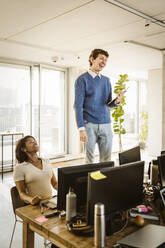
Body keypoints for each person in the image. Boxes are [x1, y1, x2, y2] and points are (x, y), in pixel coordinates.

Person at [74, 48, 125, 163]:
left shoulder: (106, 80)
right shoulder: (82, 80)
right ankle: (89, 181)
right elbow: (78, 106)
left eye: (106, 60)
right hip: (89, 125)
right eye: (101, 58)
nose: (104, 62)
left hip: (106, 124)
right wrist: (81, 129)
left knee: (106, 159)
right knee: (89, 159)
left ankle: (103, 181)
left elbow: (108, 104)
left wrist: (117, 101)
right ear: (92, 59)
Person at [14, 135, 58, 205]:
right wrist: (31, 199)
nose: (34, 143)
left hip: (50, 203)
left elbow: (55, 184)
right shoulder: (19, 168)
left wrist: (67, 189)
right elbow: (21, 193)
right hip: (34, 205)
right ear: (24, 149)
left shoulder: (46, 161)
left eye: (35, 141)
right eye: (31, 142)